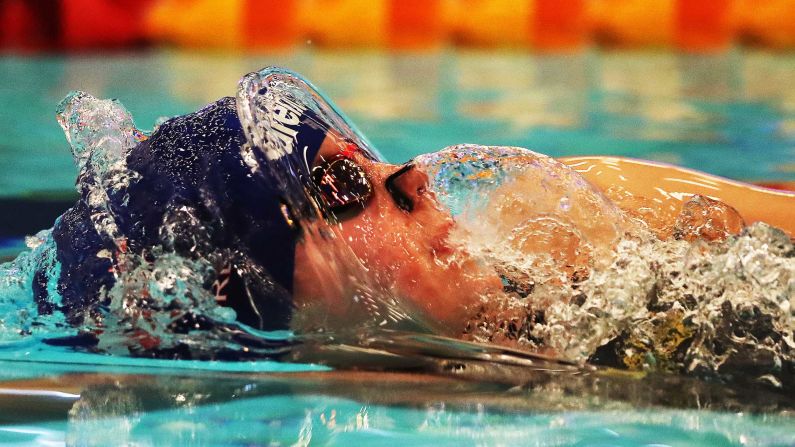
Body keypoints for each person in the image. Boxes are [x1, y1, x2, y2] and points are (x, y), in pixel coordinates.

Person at [28, 67, 795, 358]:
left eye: (369, 157)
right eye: (342, 187)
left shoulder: (593, 224)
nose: (414, 178)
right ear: (236, 301)